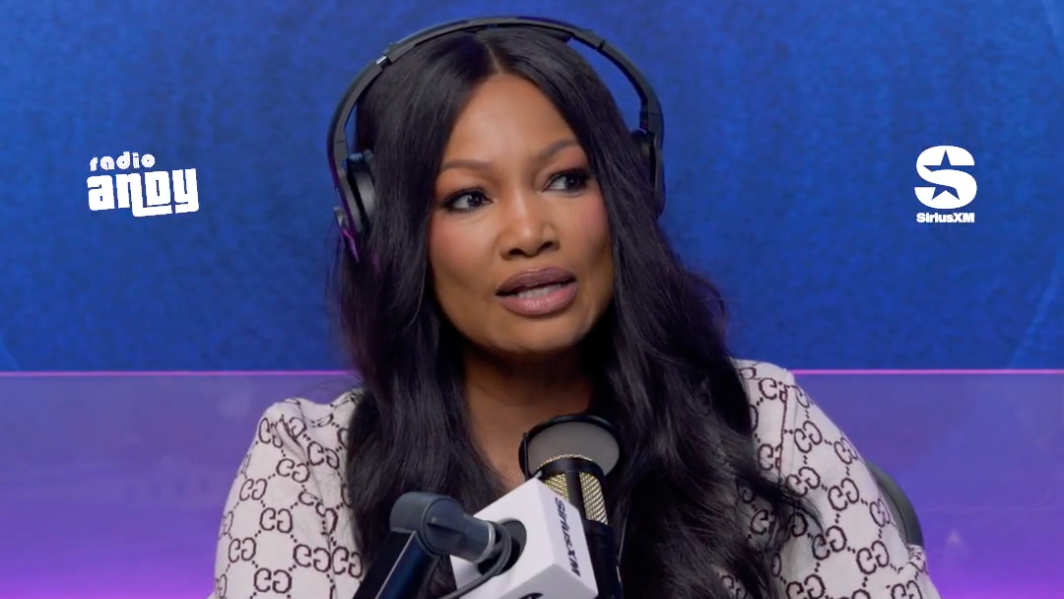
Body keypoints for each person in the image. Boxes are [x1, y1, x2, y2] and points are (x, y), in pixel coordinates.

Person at [212, 21, 942, 599]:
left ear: (624, 193)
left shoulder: (761, 419)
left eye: (565, 179)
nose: (530, 232)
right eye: (468, 197)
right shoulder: (309, 464)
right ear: (387, 231)